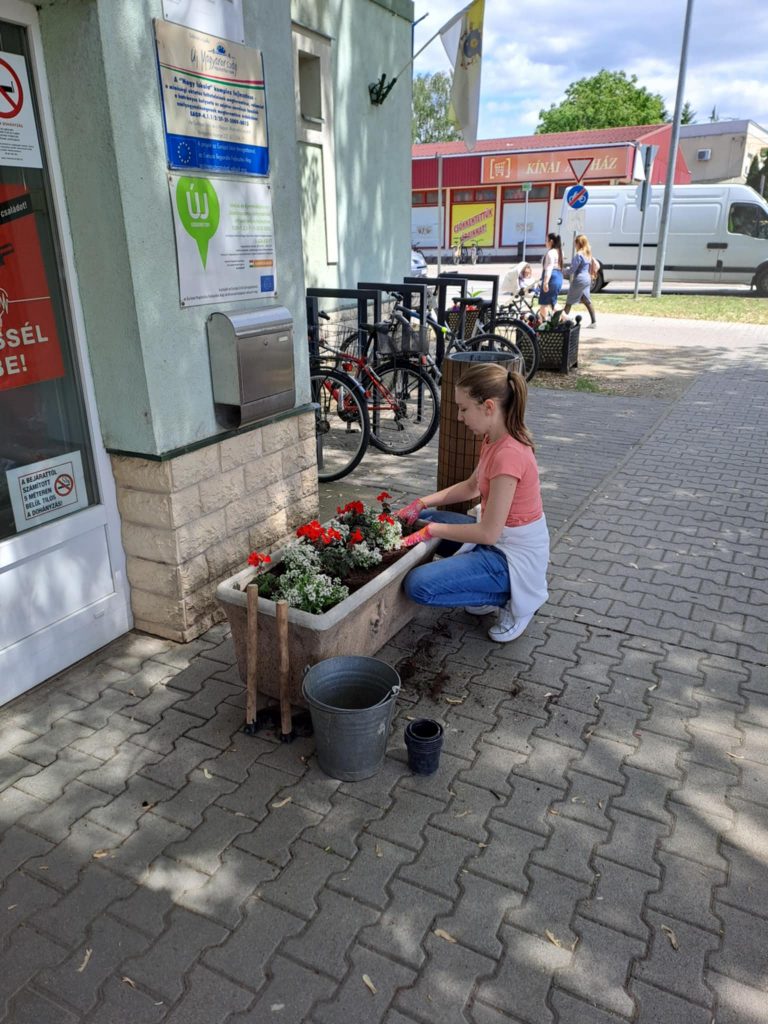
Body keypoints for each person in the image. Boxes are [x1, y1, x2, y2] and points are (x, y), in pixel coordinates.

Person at [397, 363, 549, 643]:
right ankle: (484, 585)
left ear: (488, 406)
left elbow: (488, 533)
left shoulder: (510, 454)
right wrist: (420, 503)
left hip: (512, 557)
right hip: (495, 539)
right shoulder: (493, 438)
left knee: (418, 585)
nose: (459, 416)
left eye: (464, 408)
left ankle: (511, 598)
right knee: (427, 518)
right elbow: (471, 487)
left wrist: (431, 531)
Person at [563, 234, 597, 328]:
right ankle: (594, 322)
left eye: (575, 243)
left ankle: (561, 322)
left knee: (569, 301)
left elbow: (572, 270)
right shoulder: (588, 254)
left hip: (579, 279)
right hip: (587, 279)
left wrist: (562, 270)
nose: (575, 245)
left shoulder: (578, 255)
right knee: (586, 300)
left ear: (579, 243)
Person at [538, 232, 563, 320]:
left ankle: (545, 323)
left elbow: (549, 267)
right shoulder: (559, 252)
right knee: (553, 302)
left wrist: (545, 282)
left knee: (544, 303)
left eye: (546, 240)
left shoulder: (551, 253)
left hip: (551, 277)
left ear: (551, 241)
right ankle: (566, 319)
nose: (545, 242)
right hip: (558, 276)